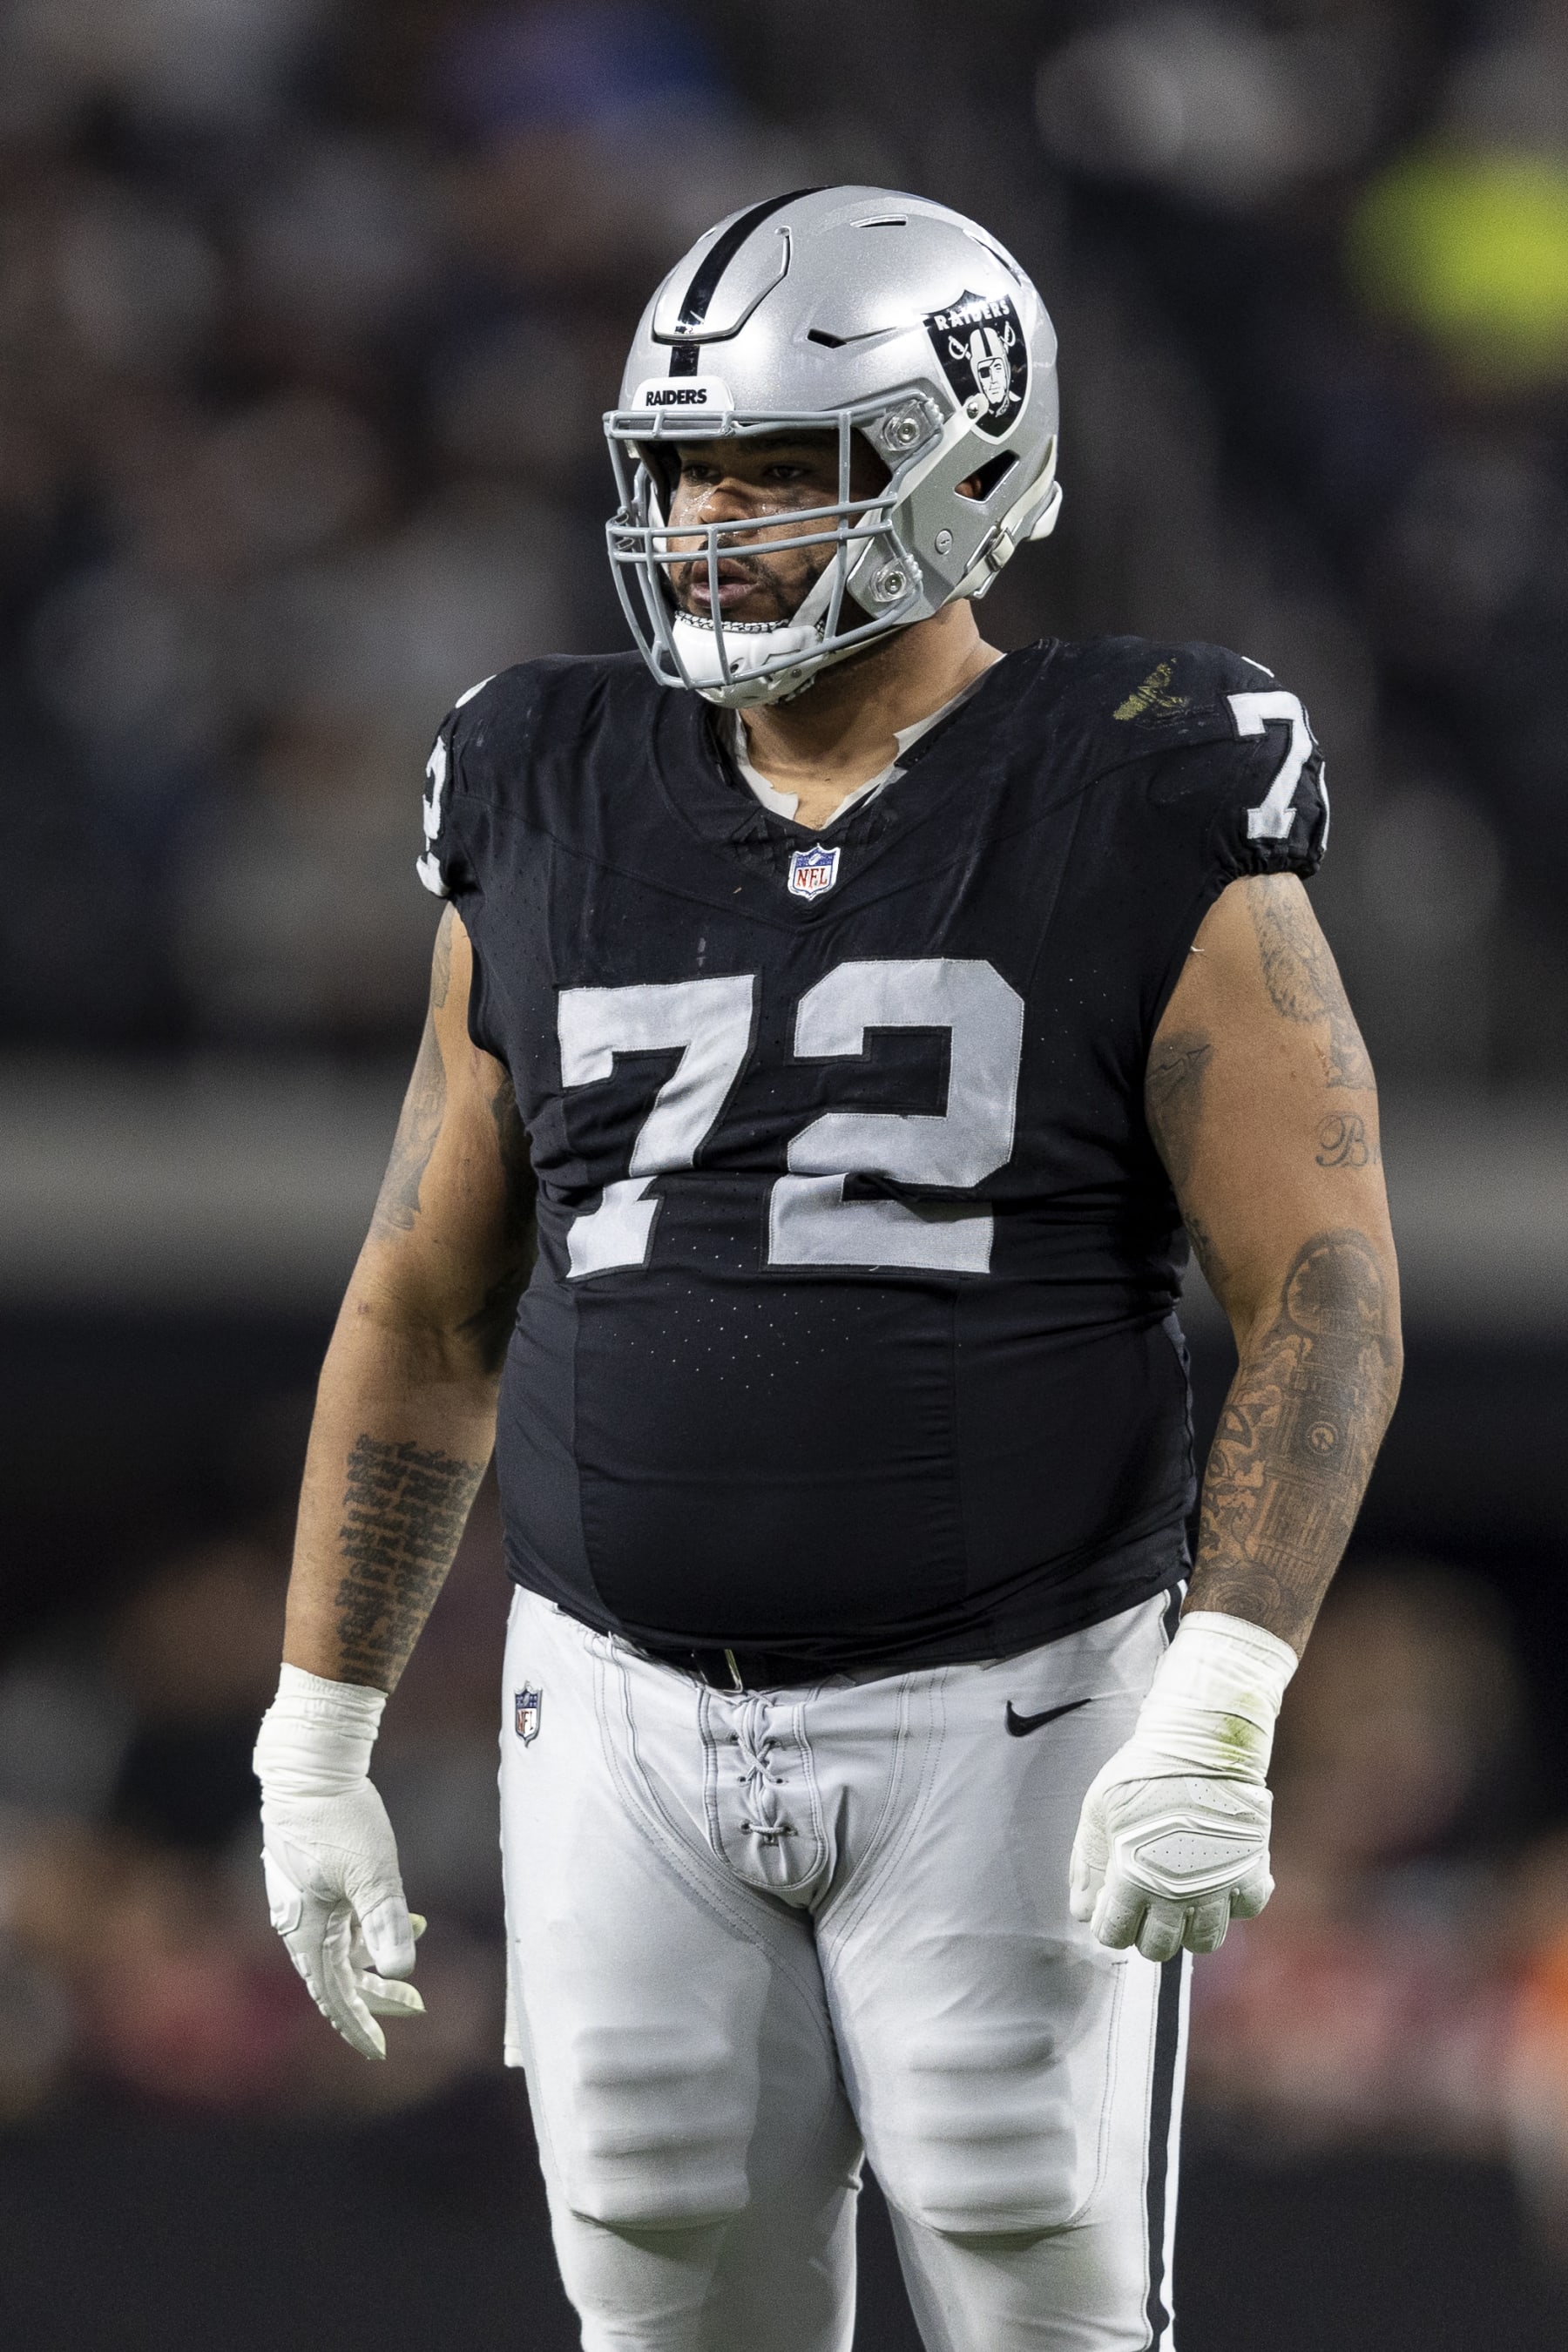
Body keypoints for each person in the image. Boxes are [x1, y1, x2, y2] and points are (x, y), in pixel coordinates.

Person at [253, 187, 1401, 2351]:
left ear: (966, 463)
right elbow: (423, 1303)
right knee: (660, 2295)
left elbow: (1325, 1275)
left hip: (1020, 1700)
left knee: (1038, 2289)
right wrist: (318, 1729)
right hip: (608, 1708)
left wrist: (1224, 1696)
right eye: (684, 472)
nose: (714, 525)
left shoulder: (1139, 763)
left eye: (783, 469)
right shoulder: (544, 777)